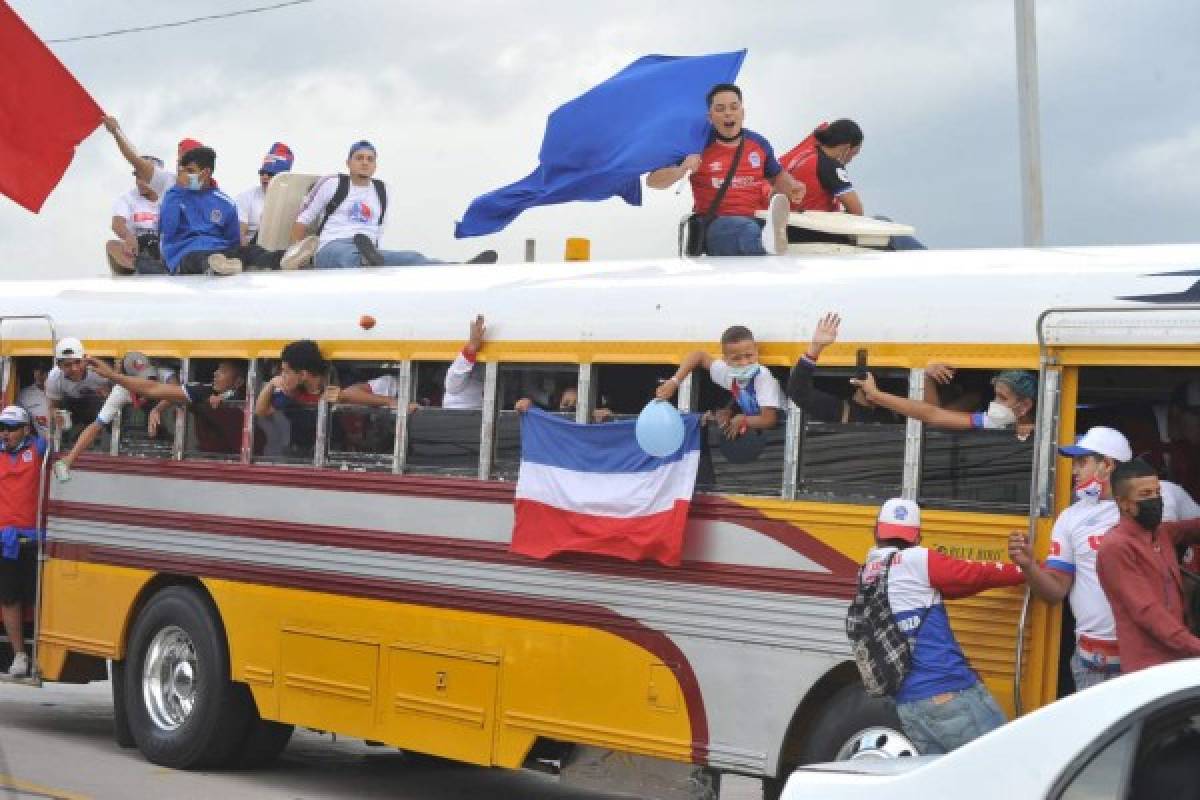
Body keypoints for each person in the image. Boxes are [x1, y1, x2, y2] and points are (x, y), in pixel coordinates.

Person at [1008, 427, 1199, 689]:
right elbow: (1055, 591)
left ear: (1107, 465)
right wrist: (1029, 566)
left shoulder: (1164, 492)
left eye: (1082, 461)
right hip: (1097, 663)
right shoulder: (1071, 517)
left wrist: (1188, 581)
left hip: (1158, 654)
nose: (1074, 470)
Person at [860, 498, 1025, 754]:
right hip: (948, 694)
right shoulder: (919, 560)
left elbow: (950, 588)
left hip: (908, 705)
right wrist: (1026, 570)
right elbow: (975, 574)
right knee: (1007, 764)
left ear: (876, 533)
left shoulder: (869, 571)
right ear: (917, 537)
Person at [645, 83, 805, 256]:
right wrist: (682, 168)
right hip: (716, 226)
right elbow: (653, 181)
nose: (728, 113)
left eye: (734, 107)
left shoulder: (759, 144)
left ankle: (770, 243)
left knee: (771, 231)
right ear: (710, 117)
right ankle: (769, 244)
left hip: (756, 218)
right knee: (747, 230)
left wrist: (792, 185)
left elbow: (777, 176)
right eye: (720, 109)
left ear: (742, 113)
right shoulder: (695, 145)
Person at [283, 140, 496, 269]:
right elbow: (303, 219)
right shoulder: (333, 183)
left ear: (375, 165)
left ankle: (455, 269)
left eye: (370, 159)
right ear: (348, 162)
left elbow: (379, 228)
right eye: (359, 158)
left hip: (367, 247)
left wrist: (373, 250)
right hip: (332, 246)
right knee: (346, 256)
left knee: (411, 257)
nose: (365, 162)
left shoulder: (382, 190)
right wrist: (299, 254)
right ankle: (366, 260)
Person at [1096, 459, 1200, 672]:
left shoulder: (1161, 533)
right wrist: (1194, 645)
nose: (1155, 500)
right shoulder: (1115, 547)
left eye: (1157, 492)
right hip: (1148, 668)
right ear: (1123, 503)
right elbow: (1147, 611)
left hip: (1180, 659)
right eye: (1145, 495)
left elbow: (1193, 528)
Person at [85, 357, 247, 455]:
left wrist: (225, 397)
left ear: (239, 382)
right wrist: (157, 409)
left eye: (223, 371)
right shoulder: (203, 390)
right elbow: (165, 391)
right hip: (208, 453)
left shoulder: (243, 396)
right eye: (217, 369)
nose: (215, 373)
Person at [655, 324, 782, 439]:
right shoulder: (728, 374)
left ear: (756, 350)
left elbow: (770, 419)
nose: (744, 363)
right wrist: (674, 381)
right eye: (736, 359)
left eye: (749, 356)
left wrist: (742, 419)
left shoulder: (763, 376)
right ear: (725, 359)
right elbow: (698, 355)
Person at [786, 312, 908, 424]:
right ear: (856, 382)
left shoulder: (891, 416)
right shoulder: (840, 410)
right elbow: (798, 391)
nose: (872, 383)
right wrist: (815, 347)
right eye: (867, 377)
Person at [852, 368, 1038, 440]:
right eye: (995, 396)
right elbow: (932, 415)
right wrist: (876, 396)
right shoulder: (990, 421)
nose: (994, 404)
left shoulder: (1046, 432)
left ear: (1024, 406)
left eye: (1003, 398)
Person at [0, 406, 48, 677]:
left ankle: (42, 653)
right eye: (2, 428)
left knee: (38, 598)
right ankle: (19, 655)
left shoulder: (39, 449)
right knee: (9, 599)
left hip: (34, 538)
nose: (5, 433)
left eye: (11, 428)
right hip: (5, 539)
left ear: (26, 430)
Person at [158, 146, 243, 276]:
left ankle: (278, 259)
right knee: (199, 259)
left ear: (206, 173)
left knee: (250, 252)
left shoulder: (226, 203)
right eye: (183, 171)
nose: (185, 176)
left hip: (220, 250)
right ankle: (215, 264)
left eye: (190, 171)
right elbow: (168, 232)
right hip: (185, 254)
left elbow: (234, 241)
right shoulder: (174, 196)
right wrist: (178, 189)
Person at [255, 340, 329, 456]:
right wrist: (271, 384)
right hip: (299, 456)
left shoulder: (331, 391)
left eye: (286, 372)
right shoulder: (292, 393)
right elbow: (261, 411)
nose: (282, 376)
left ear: (303, 375)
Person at [778, 119, 864, 216]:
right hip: (814, 227)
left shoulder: (805, 154)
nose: (851, 160)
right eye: (854, 154)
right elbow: (857, 211)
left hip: (792, 222)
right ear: (846, 148)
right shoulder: (831, 166)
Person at [234, 142, 294, 270]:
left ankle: (290, 256)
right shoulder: (245, 197)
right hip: (253, 248)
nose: (265, 177)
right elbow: (240, 237)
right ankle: (284, 258)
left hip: (283, 246)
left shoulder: (295, 198)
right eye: (262, 173)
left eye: (271, 174)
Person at [106, 155, 166, 275]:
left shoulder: (169, 197)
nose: (140, 182)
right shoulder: (127, 198)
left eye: (145, 178)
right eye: (138, 177)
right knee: (111, 245)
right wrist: (128, 237)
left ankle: (153, 267)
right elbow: (117, 225)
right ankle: (143, 266)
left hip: (161, 247)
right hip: (136, 248)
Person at [44, 338, 111, 444]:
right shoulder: (54, 378)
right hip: (72, 413)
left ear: (85, 359)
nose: (74, 368)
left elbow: (118, 383)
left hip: (101, 413)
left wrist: (108, 394)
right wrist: (55, 414)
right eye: (67, 365)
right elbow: (53, 406)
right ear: (59, 366)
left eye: (77, 362)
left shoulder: (97, 371)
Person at [16, 361, 51, 439]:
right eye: (36, 369)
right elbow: (19, 424)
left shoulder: (64, 390)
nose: (39, 374)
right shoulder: (25, 395)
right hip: (41, 443)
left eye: (44, 370)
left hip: (68, 443)